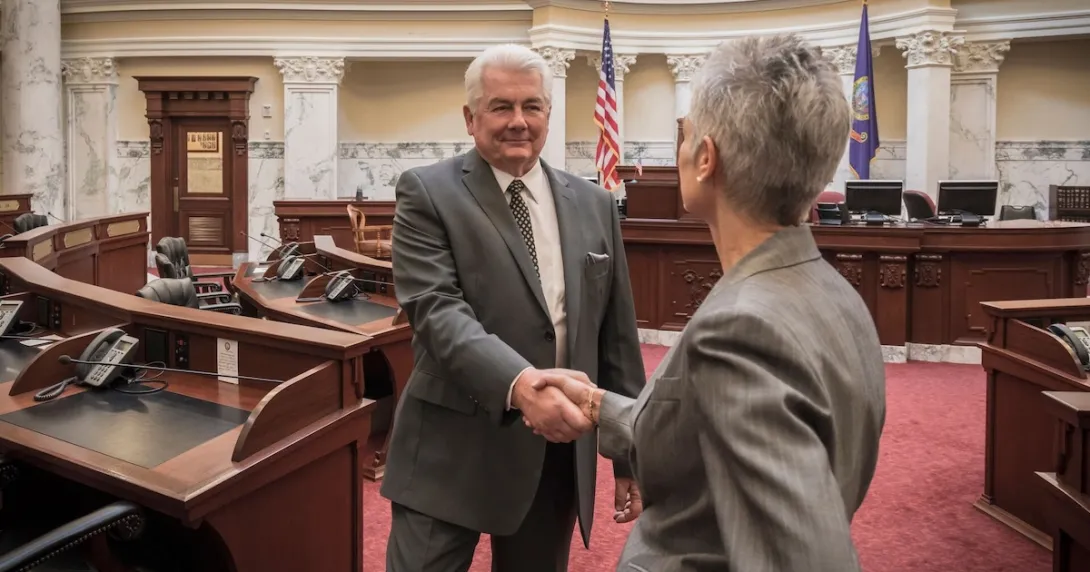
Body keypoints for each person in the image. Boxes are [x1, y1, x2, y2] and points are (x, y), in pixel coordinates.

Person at [531, 33, 887, 571]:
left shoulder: (743, 329)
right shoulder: (833, 291)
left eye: (685, 132)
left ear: (705, 158)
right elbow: (707, 430)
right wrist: (601, 406)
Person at [381, 43, 646, 572]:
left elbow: (614, 334)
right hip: (449, 445)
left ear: (549, 112)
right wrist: (523, 385)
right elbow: (436, 311)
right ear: (470, 117)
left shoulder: (593, 203)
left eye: (533, 106)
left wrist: (628, 452)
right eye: (501, 107)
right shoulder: (427, 192)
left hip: (552, 449)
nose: (518, 122)